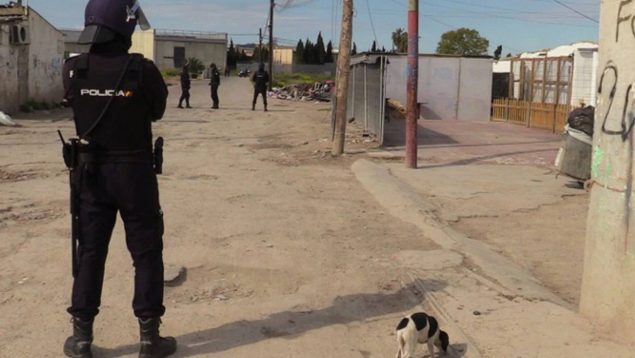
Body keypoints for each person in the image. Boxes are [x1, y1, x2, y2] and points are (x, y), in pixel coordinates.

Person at [61, 0, 176, 357]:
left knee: (91, 252)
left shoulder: (72, 69)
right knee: (146, 252)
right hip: (135, 172)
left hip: (91, 174)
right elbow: (156, 110)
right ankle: (148, 338)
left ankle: (81, 338)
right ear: (125, 25)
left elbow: (72, 104)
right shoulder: (143, 71)